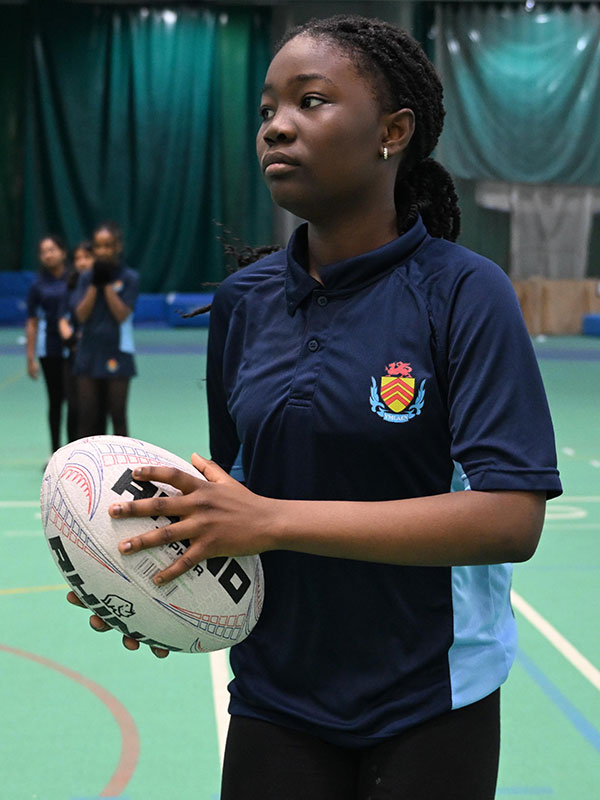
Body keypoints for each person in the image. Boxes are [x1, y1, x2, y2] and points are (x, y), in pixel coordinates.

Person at [68, 15, 562, 800]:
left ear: (392, 132)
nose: (277, 126)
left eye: (311, 101)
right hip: (277, 694)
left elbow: (510, 519)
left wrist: (274, 520)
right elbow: (235, 490)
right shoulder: (244, 303)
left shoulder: (466, 293)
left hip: (432, 697)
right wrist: (155, 578)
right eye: (267, 109)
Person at [71, 222, 139, 438]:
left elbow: (121, 314)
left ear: (118, 246)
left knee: (118, 415)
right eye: (98, 246)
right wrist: (95, 283)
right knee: (87, 416)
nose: (102, 251)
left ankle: (124, 461)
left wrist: (107, 284)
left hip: (117, 353)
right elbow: (81, 315)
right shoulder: (85, 278)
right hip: (88, 353)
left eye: (108, 246)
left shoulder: (129, 277)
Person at [26, 234, 75, 455]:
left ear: (63, 252)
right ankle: (56, 453)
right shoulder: (38, 285)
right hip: (50, 349)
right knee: (55, 401)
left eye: (52, 249)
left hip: (74, 348)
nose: (48, 255)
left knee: (75, 401)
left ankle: (75, 452)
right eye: (43, 251)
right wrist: (30, 358)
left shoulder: (75, 279)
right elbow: (32, 322)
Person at [58, 240, 95, 439]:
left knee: (95, 408)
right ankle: (70, 449)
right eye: (78, 258)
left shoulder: (103, 286)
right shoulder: (70, 287)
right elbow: (63, 319)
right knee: (73, 407)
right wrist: (72, 339)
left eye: (87, 257)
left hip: (98, 356)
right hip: (74, 356)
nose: (82, 262)